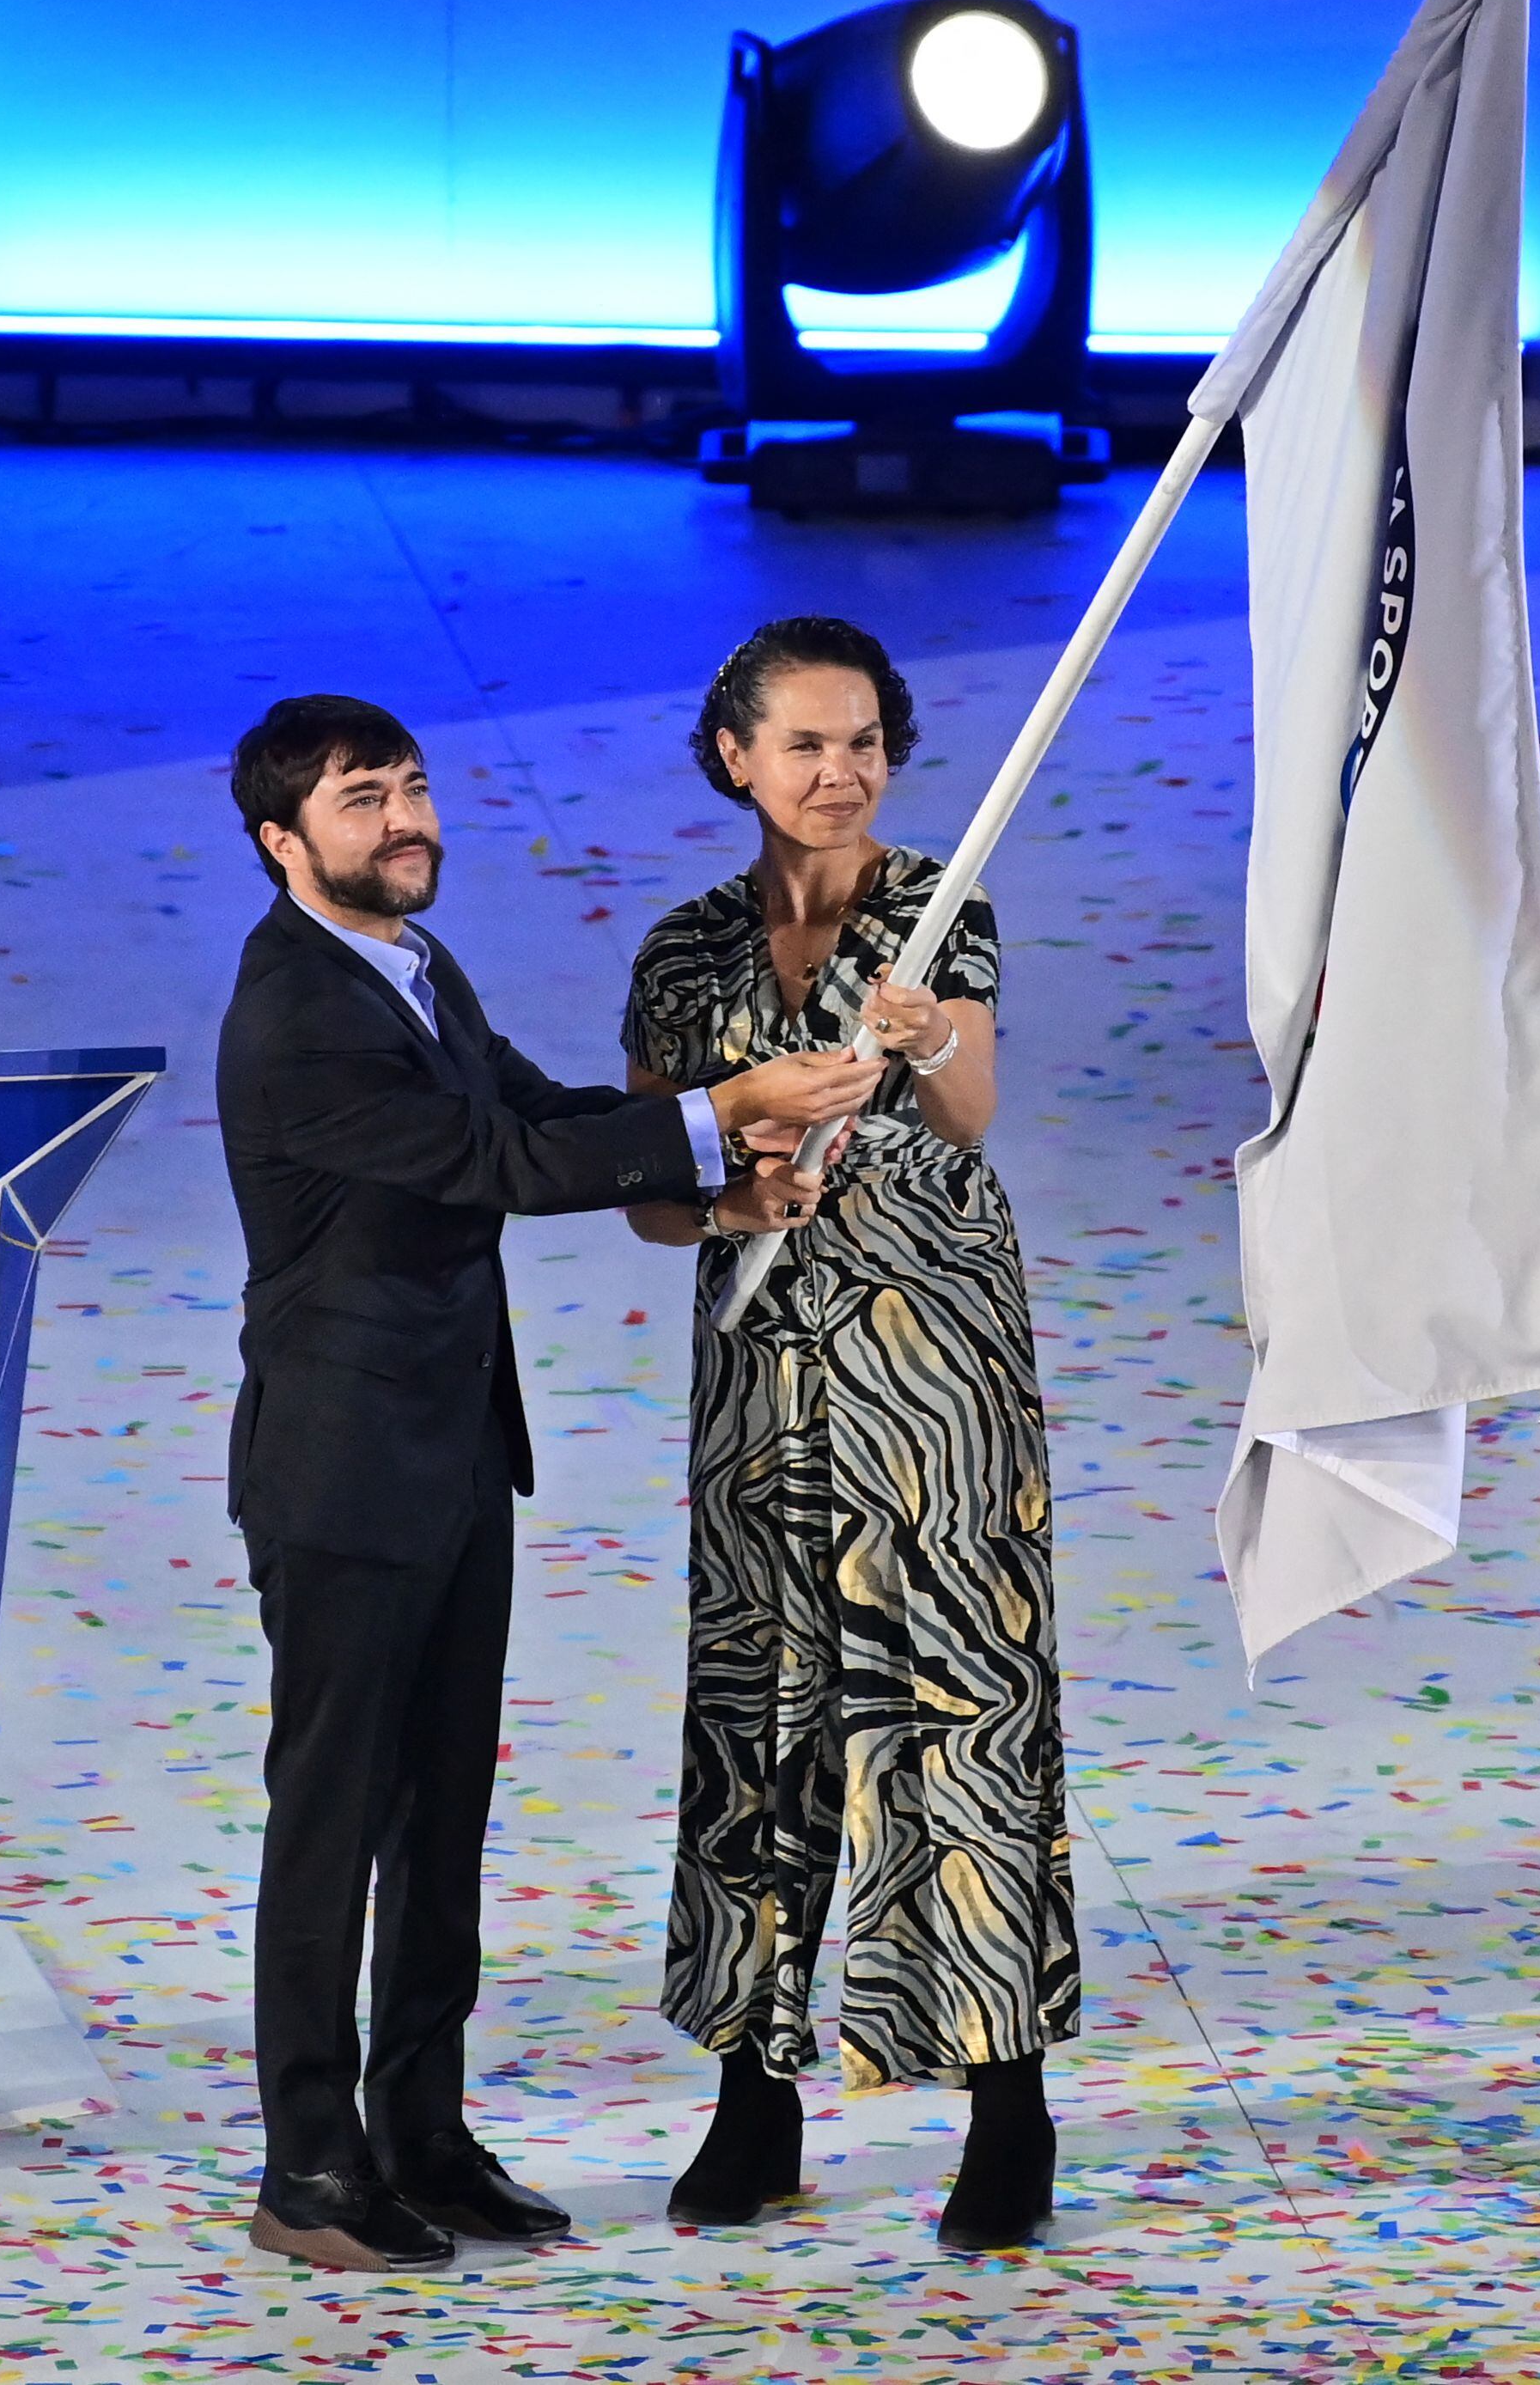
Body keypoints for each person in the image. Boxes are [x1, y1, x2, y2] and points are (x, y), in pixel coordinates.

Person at [213, 693, 882, 2273]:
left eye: (413, 785)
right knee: (332, 1822)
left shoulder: (412, 967)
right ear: (281, 842)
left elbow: (534, 1109)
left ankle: (424, 2137)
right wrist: (727, 1110)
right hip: (341, 1474)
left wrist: (720, 1175)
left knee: (442, 1817)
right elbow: (491, 1170)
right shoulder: (299, 1008)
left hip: (450, 1459)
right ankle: (312, 2167)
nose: (404, 818)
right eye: (363, 798)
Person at [618, 618, 1077, 2254]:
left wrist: (924, 1031)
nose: (841, 771)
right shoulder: (682, 953)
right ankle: (755, 2090)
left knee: (961, 1706)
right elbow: (652, 1204)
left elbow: (968, 1113)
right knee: (759, 1711)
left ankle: (1002, 2100)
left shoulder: (937, 906)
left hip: (929, 1364)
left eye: (865, 739)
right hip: (761, 1382)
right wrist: (730, 1185)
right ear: (734, 753)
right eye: (806, 743)